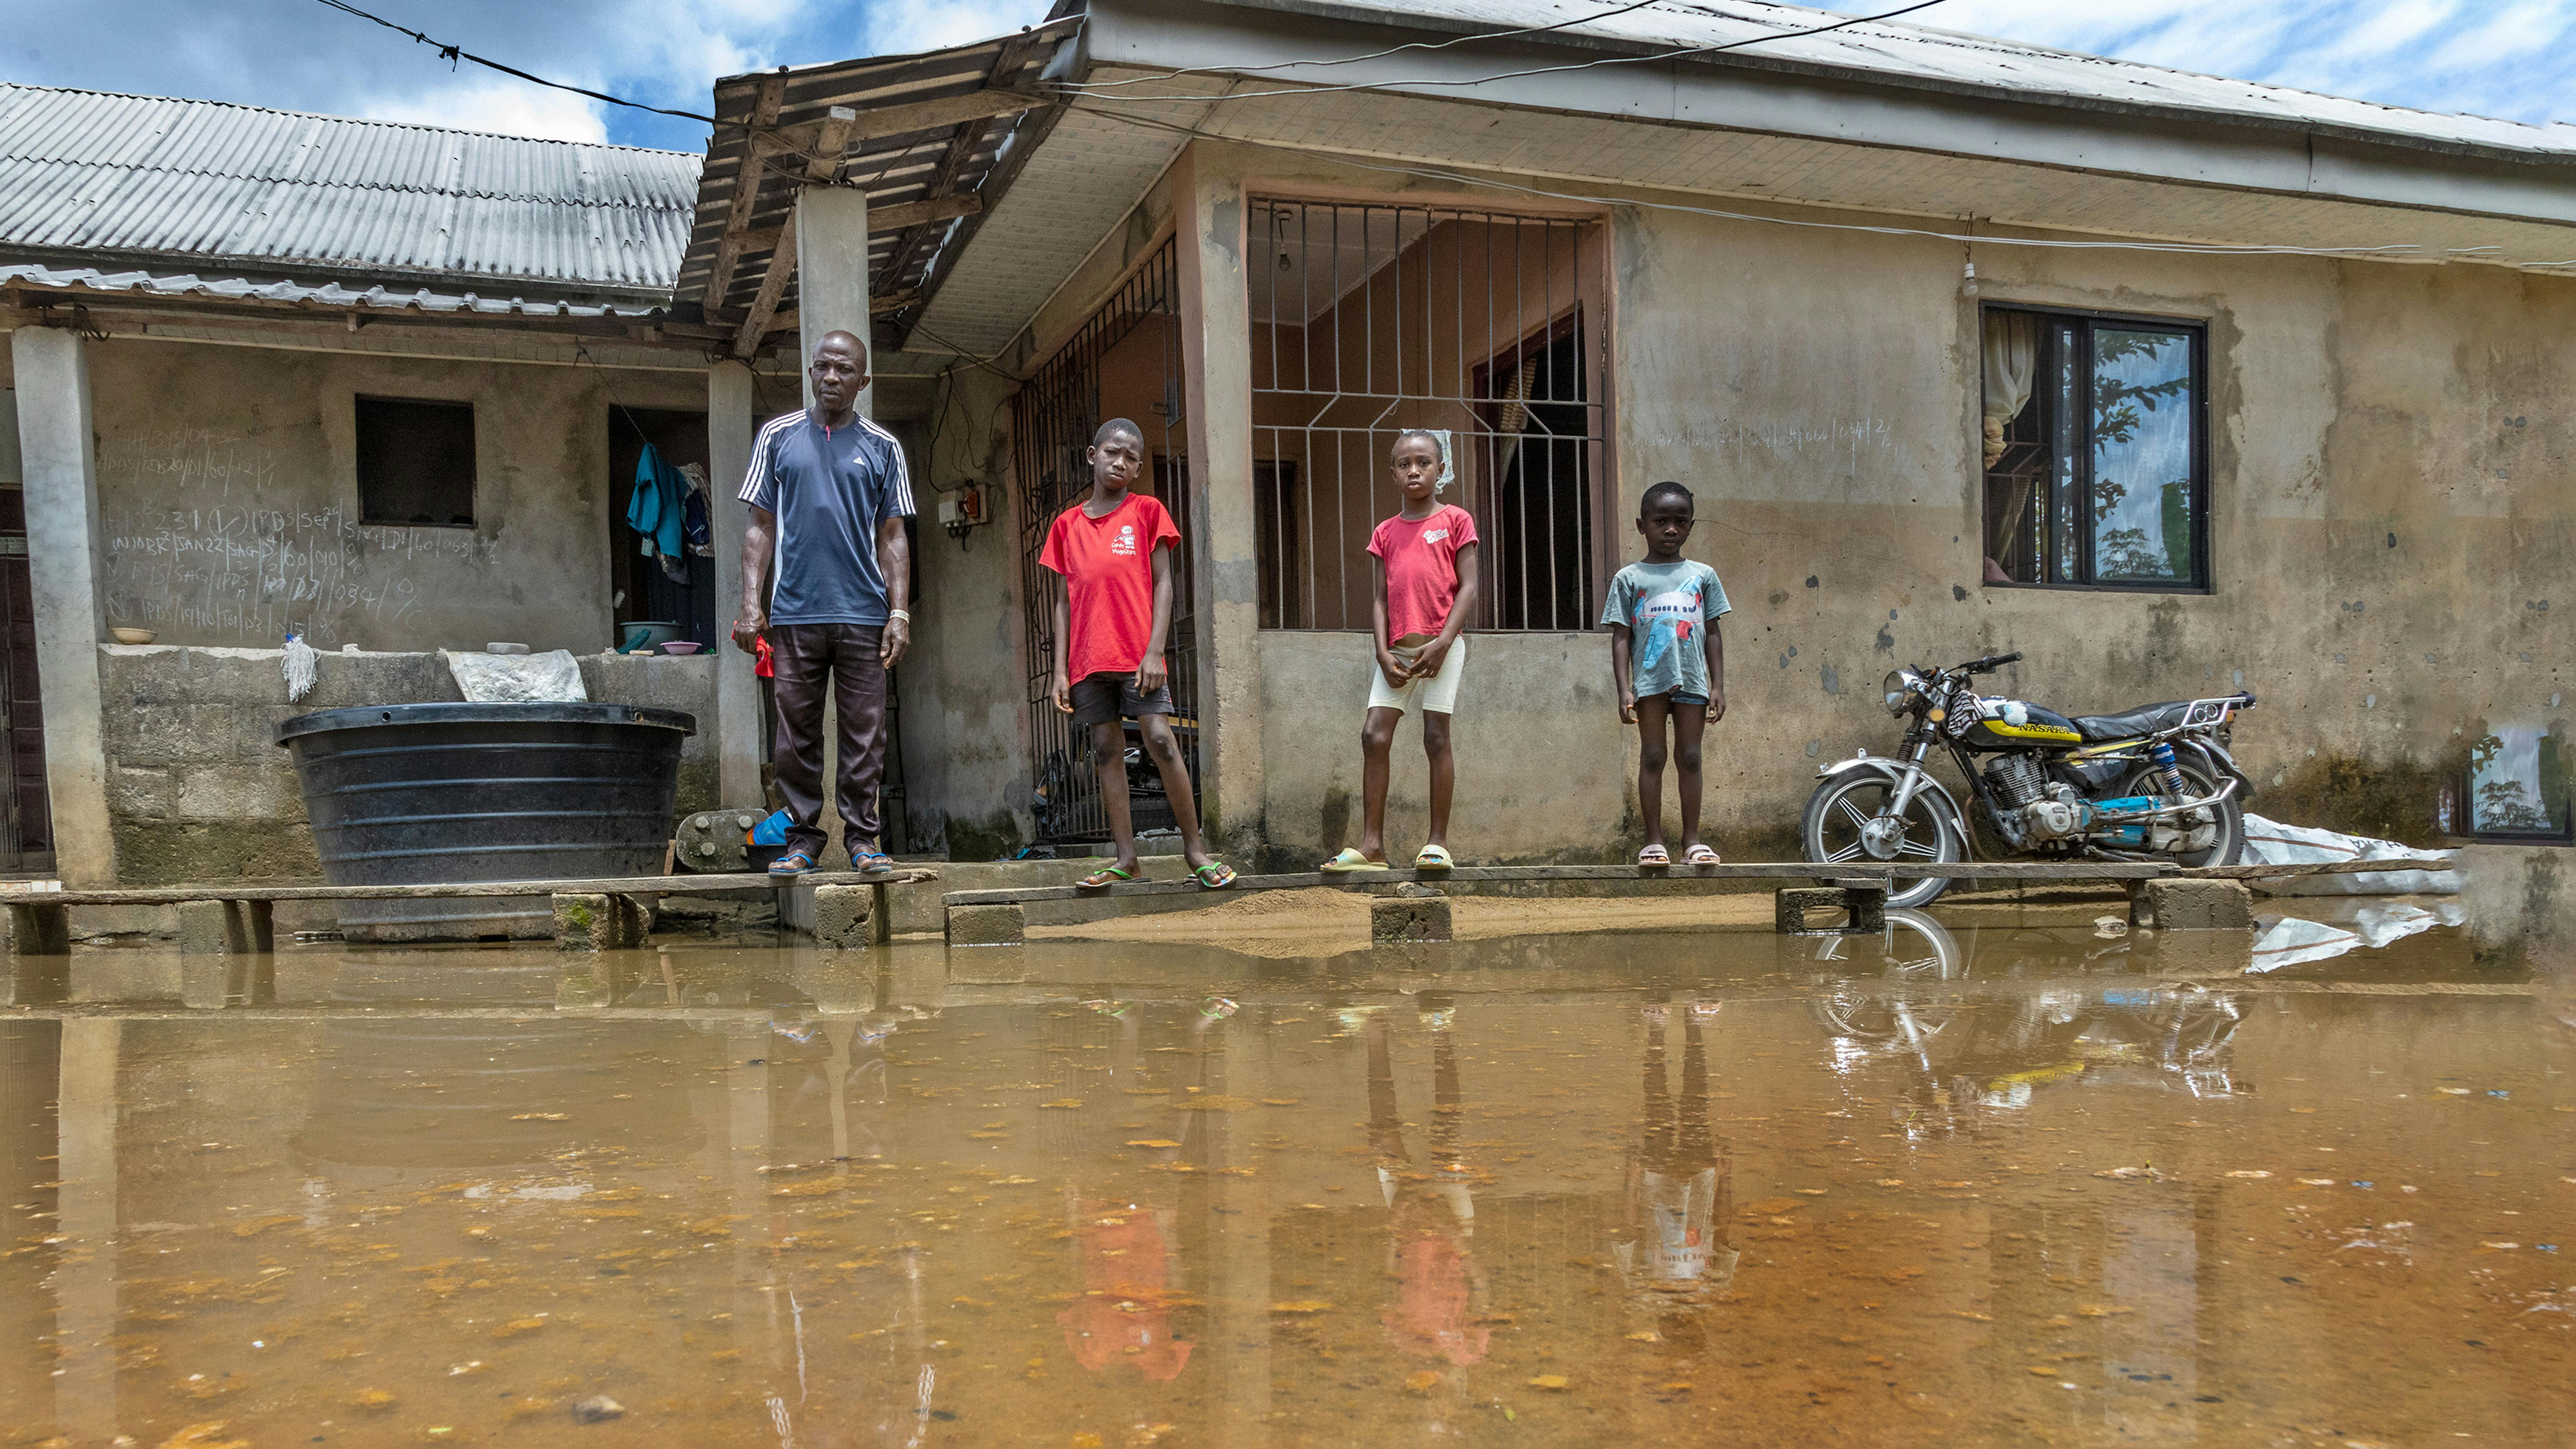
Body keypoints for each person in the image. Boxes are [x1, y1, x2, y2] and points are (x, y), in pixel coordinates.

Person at [730, 330, 914, 877]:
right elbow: (758, 526)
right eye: (822, 368)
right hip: (793, 614)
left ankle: (862, 839)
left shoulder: (883, 446)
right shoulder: (778, 436)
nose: (831, 377)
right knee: (795, 734)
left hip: (863, 614)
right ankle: (803, 840)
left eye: (844, 370)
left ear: (864, 380)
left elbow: (893, 535)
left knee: (865, 732)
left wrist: (899, 612)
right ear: (810, 373)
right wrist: (750, 605)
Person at [1041, 418, 1235, 891]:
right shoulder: (1066, 526)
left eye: (1130, 457)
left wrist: (1155, 651)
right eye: (1112, 452)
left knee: (1161, 739)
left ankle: (1195, 852)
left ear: (1138, 467)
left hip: (1137, 656)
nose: (1120, 462)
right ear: (1093, 455)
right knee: (1107, 750)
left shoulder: (1147, 511)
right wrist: (1059, 672)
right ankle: (1126, 858)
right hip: (1088, 661)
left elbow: (1165, 583)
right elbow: (1063, 602)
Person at [1321, 430, 1480, 874]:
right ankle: (1372, 847)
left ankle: (1438, 844)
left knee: (1436, 737)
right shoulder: (1385, 533)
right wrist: (1381, 652)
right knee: (1374, 735)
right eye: (1404, 464)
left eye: (1424, 462)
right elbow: (1379, 599)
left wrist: (1445, 642)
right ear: (1392, 473)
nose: (1414, 470)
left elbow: (1469, 586)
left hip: (1443, 646)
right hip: (1397, 651)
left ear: (1440, 469)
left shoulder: (1455, 521)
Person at [1602, 481, 1729, 867]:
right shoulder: (1629, 578)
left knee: (1690, 757)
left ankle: (1692, 841)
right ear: (1642, 526)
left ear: (1692, 525)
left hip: (1691, 682)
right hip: (1649, 685)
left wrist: (1717, 685)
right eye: (1661, 521)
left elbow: (1712, 632)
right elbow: (1621, 637)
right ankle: (1653, 841)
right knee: (1653, 755)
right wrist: (1624, 690)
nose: (1671, 529)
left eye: (1680, 522)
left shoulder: (1703, 576)